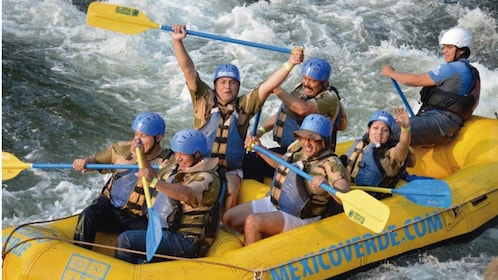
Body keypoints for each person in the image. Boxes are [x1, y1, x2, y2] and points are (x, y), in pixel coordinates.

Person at [171, 24, 304, 209]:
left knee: (233, 187)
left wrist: (291, 63)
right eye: (223, 82)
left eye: (232, 83)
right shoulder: (203, 98)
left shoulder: (244, 105)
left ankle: (224, 226)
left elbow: (267, 86)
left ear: (238, 86)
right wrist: (177, 42)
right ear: (215, 85)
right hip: (200, 163)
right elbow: (188, 70)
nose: (227, 87)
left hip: (230, 169)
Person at [223, 114, 350, 246]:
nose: (307, 143)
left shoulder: (332, 163)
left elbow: (344, 191)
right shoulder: (298, 148)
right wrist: (261, 151)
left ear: (323, 141)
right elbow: (282, 164)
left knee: (252, 222)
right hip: (276, 202)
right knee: (229, 218)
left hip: (300, 216)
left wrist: (326, 185)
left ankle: (251, 260)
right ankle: (265, 240)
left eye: (313, 139)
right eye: (304, 137)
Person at [115, 129, 225, 263]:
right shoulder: (179, 168)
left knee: (126, 240)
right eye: (177, 153)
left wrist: (154, 182)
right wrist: (142, 156)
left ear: (197, 153)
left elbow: (186, 194)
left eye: (183, 154)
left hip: (186, 241)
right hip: (165, 229)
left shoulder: (208, 178)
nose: (178, 158)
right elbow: (156, 177)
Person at [73, 112, 169, 249]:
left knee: (148, 239)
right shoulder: (120, 149)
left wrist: (141, 157)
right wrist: (84, 162)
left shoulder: (167, 160)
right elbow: (95, 160)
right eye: (136, 134)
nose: (138, 140)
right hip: (110, 208)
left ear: (158, 138)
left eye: (144, 136)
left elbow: (156, 180)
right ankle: (79, 251)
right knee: (87, 215)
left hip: (138, 217)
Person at [243, 57, 347, 183]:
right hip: (293, 150)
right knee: (248, 159)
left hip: (311, 156)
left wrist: (276, 89)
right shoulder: (302, 89)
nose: (306, 84)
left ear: (324, 83)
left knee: (253, 161)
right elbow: (285, 112)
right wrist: (261, 131)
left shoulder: (330, 98)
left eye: (312, 81)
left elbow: (303, 109)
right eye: (305, 78)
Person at [382, 27, 480, 147]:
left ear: (462, 50)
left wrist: (391, 73)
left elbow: (415, 81)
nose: (444, 51)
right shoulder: (470, 70)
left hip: (441, 123)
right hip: (443, 122)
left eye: (449, 47)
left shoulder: (454, 68)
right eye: (444, 47)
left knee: (386, 130)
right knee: (384, 126)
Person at [341, 108, 415, 198]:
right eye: (375, 128)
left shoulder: (390, 155)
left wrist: (405, 129)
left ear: (390, 135)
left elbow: (403, 145)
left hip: (372, 199)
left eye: (385, 130)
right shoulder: (360, 145)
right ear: (368, 129)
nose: (379, 133)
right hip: (349, 192)